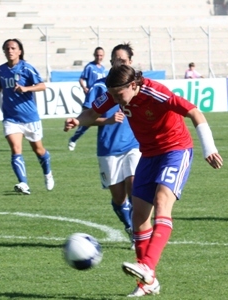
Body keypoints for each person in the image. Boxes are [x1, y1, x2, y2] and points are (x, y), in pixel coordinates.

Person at [64, 63, 223, 297]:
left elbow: (194, 111)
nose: (117, 100)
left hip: (175, 150)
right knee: (138, 215)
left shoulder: (154, 92)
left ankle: (147, 267)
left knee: (162, 202)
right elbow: (91, 114)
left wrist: (208, 148)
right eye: (114, 95)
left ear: (133, 84)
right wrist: (78, 120)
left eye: (120, 95)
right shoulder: (113, 94)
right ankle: (147, 283)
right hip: (148, 155)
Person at [81, 43, 140, 251]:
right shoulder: (100, 86)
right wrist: (106, 121)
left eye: (123, 61)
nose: (119, 63)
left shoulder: (136, 86)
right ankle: (129, 226)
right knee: (118, 197)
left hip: (134, 145)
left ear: (130, 62)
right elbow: (86, 118)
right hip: (108, 148)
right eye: (116, 60)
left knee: (135, 188)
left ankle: (138, 233)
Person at [0, 38, 54, 195]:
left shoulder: (27, 68)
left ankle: (47, 172)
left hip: (30, 117)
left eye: (13, 48)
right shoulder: (1, 70)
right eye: (7, 48)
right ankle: (24, 183)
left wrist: (26, 88)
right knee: (16, 149)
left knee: (39, 150)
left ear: (19, 51)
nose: (10, 51)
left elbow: (42, 86)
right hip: (11, 117)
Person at [68, 47, 107, 151]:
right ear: (94, 55)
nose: (99, 57)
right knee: (87, 122)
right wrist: (84, 87)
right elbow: (81, 79)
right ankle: (73, 139)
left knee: (106, 121)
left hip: (103, 100)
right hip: (92, 99)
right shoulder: (90, 67)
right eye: (97, 55)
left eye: (101, 55)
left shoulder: (103, 68)